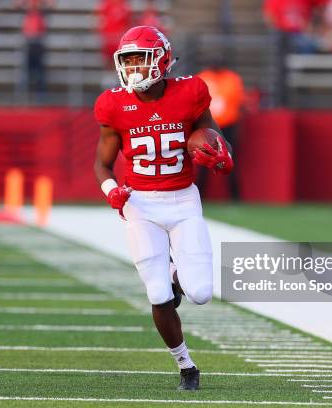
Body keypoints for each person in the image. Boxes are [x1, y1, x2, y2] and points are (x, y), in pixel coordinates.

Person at [93, 26, 233, 391]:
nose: (134, 66)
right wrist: (111, 191)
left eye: (141, 57)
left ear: (162, 59)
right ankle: (186, 365)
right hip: (140, 203)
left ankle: (175, 276)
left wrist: (221, 153)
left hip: (183, 198)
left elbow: (212, 133)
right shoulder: (113, 104)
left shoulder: (190, 92)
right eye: (128, 59)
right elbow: (102, 164)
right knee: (157, 294)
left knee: (200, 293)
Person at [197, 61, 244, 199]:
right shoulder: (203, 77)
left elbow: (235, 101)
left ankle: (235, 195)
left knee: (229, 158)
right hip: (207, 124)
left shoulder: (231, 78)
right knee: (203, 160)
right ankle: (201, 194)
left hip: (227, 124)